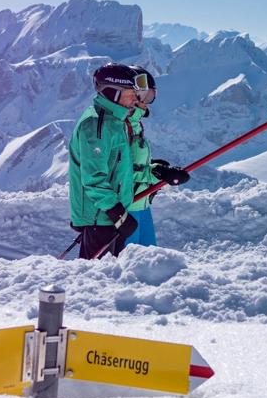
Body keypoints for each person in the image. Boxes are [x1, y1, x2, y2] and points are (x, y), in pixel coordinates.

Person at [67, 63, 190, 259]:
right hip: (105, 216)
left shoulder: (116, 122)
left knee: (126, 273)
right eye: (133, 93)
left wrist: (158, 173)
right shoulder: (98, 125)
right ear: (114, 92)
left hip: (116, 213)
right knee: (101, 279)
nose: (137, 99)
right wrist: (118, 215)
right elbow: (94, 179)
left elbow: (122, 170)